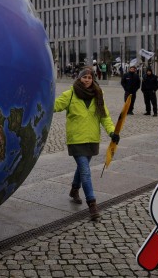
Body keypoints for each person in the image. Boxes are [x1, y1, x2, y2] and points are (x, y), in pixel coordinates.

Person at [54, 67, 119, 221]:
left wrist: (112, 132)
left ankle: (74, 190)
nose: (87, 80)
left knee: (82, 169)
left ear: (93, 79)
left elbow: (104, 117)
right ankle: (92, 204)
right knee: (85, 171)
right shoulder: (70, 94)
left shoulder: (98, 94)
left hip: (92, 139)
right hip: (76, 139)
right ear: (79, 78)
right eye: (84, 77)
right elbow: (54, 106)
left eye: (89, 77)